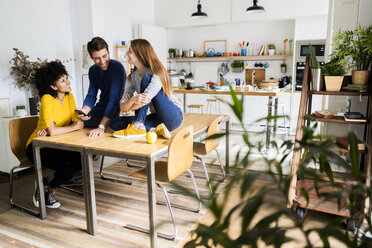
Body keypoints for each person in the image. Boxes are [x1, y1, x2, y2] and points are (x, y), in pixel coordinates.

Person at [26, 61, 84, 208]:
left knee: (80, 160)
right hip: (38, 146)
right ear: (53, 86)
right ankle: (48, 190)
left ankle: (45, 183)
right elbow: (53, 131)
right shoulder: (47, 99)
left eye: (66, 78)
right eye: (62, 80)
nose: (67, 82)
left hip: (57, 143)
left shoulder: (69, 97)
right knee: (67, 170)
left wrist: (68, 127)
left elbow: (79, 124)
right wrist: (71, 127)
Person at [113, 39, 183, 138]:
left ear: (140, 54)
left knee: (145, 80)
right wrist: (132, 100)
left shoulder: (157, 72)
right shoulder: (132, 77)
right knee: (115, 123)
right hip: (157, 117)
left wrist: (131, 105)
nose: (126, 53)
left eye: (130, 51)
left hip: (173, 117)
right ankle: (155, 130)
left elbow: (144, 100)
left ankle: (138, 126)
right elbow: (122, 107)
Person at [78, 37, 126, 137]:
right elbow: (91, 95)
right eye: (97, 58)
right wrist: (84, 111)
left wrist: (102, 126)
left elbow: (114, 99)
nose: (102, 61)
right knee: (77, 123)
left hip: (116, 110)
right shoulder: (93, 70)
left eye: (104, 56)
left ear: (109, 52)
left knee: (113, 125)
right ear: (91, 58)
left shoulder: (117, 68)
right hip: (100, 109)